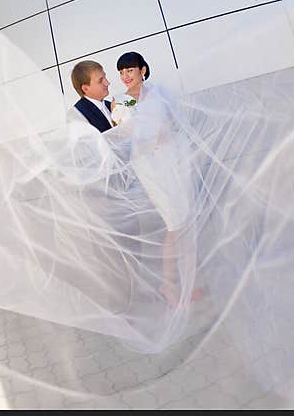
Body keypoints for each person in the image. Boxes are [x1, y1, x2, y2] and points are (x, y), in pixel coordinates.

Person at [113, 51, 203, 306]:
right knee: (174, 225)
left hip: (174, 160)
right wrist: (153, 137)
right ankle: (168, 284)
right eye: (121, 72)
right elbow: (126, 134)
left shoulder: (159, 92)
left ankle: (190, 282)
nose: (125, 76)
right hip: (151, 167)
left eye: (129, 70)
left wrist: (170, 134)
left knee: (185, 223)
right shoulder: (123, 101)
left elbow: (174, 121)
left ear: (142, 69)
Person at [68, 60, 114, 133]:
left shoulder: (111, 105)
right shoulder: (78, 116)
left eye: (105, 77)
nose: (107, 83)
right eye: (100, 80)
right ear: (85, 88)